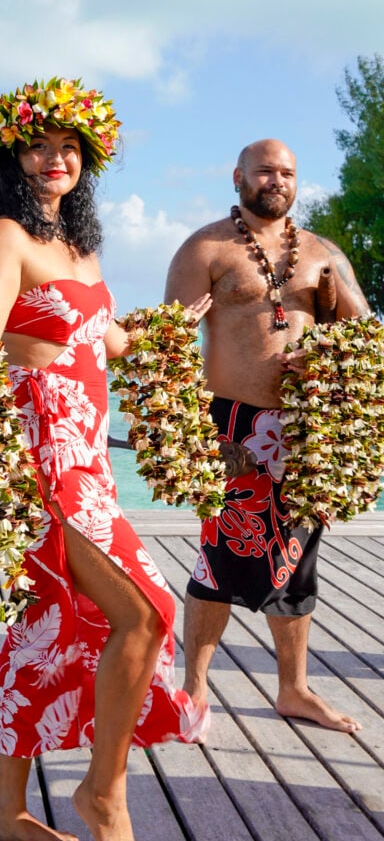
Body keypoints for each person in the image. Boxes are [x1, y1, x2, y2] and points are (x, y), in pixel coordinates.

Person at [0, 78, 211, 841]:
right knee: (148, 610)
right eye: (40, 145)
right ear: (13, 157)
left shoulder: (81, 248)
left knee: (51, 626)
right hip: (41, 459)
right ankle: (104, 794)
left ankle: (6, 813)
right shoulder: (6, 237)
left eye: (69, 148)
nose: (55, 158)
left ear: (84, 162)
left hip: (89, 460)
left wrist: (170, 326)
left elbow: (104, 340)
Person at [164, 137, 370, 736]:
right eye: (264, 170)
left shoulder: (323, 254)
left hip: (306, 432)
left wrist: (329, 352)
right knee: (217, 560)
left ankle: (294, 690)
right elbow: (167, 343)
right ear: (238, 177)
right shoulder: (204, 248)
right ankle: (194, 690)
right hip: (232, 426)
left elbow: (366, 338)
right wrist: (184, 432)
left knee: (298, 562)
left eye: (287, 172)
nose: (275, 180)